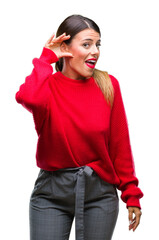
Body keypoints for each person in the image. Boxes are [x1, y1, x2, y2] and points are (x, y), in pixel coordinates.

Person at [15, 14, 143, 240]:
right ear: (65, 47)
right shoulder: (47, 86)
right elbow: (28, 98)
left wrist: (131, 194)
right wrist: (46, 59)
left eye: (97, 44)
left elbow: (119, 144)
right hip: (51, 193)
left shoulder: (108, 85)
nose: (95, 51)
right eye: (86, 44)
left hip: (99, 193)